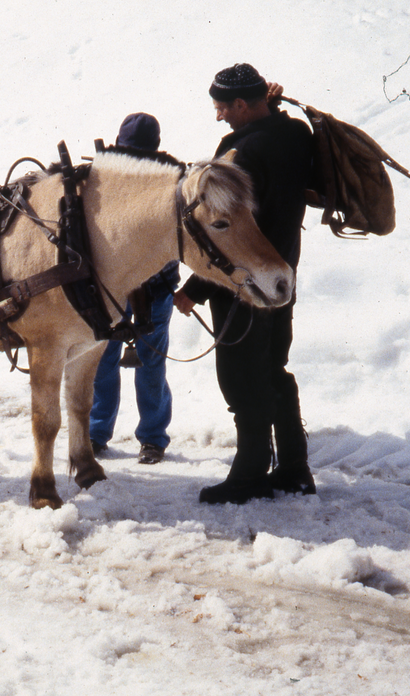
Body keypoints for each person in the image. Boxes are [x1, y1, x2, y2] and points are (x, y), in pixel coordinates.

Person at [173, 63, 317, 504]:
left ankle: (250, 474)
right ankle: (293, 468)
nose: (219, 116)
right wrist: (271, 108)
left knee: (242, 379)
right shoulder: (295, 135)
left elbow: (226, 233)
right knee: (274, 371)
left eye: (222, 108)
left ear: (241, 104)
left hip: (242, 282)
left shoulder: (241, 155)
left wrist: (194, 289)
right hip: (282, 274)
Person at [88, 112, 180, 465]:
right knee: (106, 361)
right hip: (114, 288)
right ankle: (101, 433)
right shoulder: (112, 178)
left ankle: (149, 437)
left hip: (150, 290)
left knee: (144, 363)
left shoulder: (164, 183)